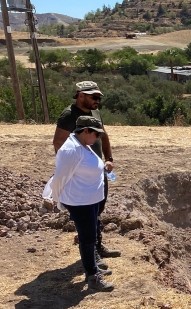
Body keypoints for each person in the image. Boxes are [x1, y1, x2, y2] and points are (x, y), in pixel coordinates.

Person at [53, 81, 121, 269]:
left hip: (97, 171)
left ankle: (97, 247)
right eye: (94, 97)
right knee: (86, 216)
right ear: (81, 95)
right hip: (81, 175)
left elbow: (104, 136)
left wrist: (109, 158)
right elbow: (59, 143)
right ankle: (92, 256)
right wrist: (72, 170)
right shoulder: (69, 115)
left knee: (98, 210)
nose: (97, 101)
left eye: (99, 97)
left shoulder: (95, 113)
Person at [44, 116, 114, 291]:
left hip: (90, 200)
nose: (98, 137)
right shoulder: (71, 150)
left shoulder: (84, 145)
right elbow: (59, 177)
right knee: (87, 239)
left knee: (91, 236)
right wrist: (56, 199)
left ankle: (93, 269)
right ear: (85, 131)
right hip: (80, 201)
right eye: (96, 133)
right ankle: (93, 277)